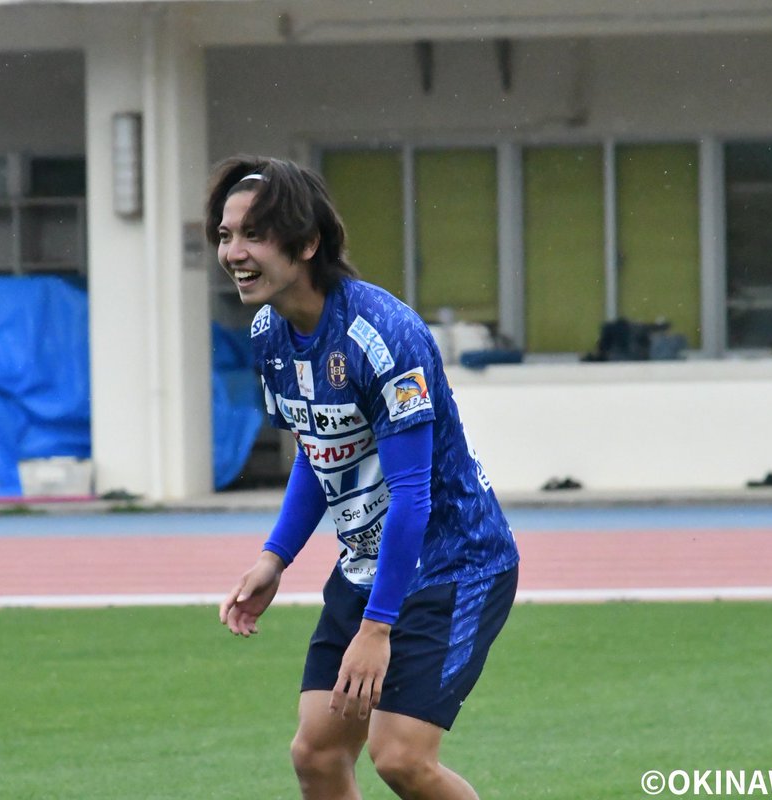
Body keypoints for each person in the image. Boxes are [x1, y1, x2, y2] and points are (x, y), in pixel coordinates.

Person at [208, 155, 520, 800]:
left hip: (454, 562)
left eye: (252, 235)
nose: (233, 252)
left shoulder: (381, 334)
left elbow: (413, 495)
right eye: (223, 234)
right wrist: (275, 558)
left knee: (401, 758)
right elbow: (318, 453)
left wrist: (377, 630)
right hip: (368, 565)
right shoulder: (269, 332)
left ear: (307, 242)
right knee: (317, 755)